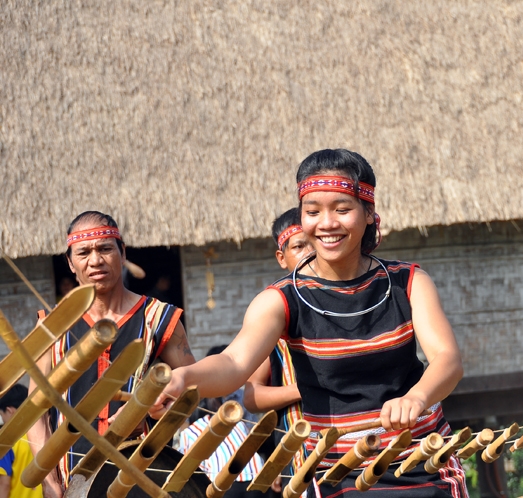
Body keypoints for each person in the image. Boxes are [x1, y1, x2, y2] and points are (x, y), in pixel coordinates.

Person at [155, 149, 468, 497]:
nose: (327, 223)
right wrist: (185, 377)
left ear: (369, 214)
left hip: (420, 458)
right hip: (335, 468)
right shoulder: (281, 299)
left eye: (342, 209)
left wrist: (417, 397)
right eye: (313, 211)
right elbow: (233, 363)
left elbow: (447, 359)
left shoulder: (408, 281)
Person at [28, 211, 197, 497]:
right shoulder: (51, 325)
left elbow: (192, 392)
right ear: (70, 263)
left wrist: (155, 404)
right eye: (83, 252)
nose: (95, 260)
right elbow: (35, 409)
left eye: (105, 248)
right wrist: (46, 473)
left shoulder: (159, 318)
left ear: (123, 253)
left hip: (142, 473)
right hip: (73, 479)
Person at [243, 207, 310, 492]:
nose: (309, 252)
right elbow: (252, 395)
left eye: (314, 242)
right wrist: (304, 390)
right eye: (298, 245)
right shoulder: (275, 315)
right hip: (303, 452)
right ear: (282, 258)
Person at [179, 346, 267, 498]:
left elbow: (254, 437)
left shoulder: (241, 405)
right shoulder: (197, 406)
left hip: (248, 475)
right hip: (218, 478)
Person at [0, 385, 43, 498]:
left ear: (10, 411)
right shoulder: (44, 434)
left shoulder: (7, 441)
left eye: (1, 415)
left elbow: (3, 484)